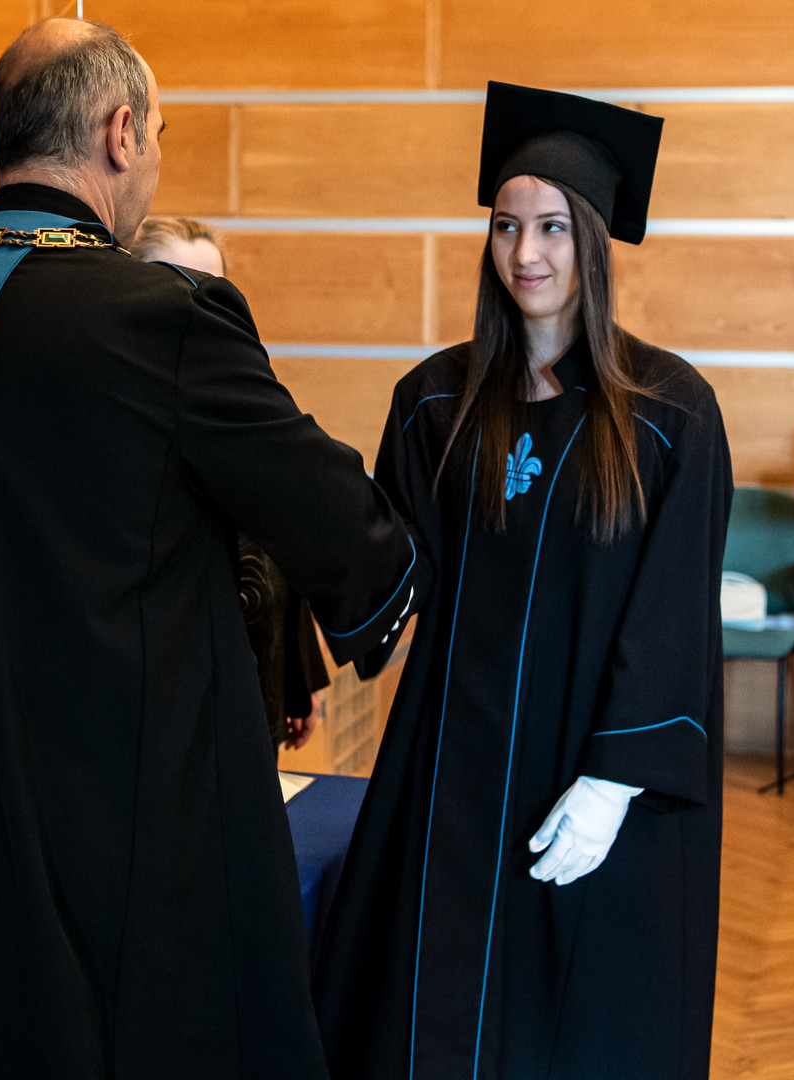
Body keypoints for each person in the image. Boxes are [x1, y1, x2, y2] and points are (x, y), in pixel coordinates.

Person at [0, 20, 422, 1080]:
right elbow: (349, 530)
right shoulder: (165, 321)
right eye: (157, 132)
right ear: (121, 134)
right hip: (105, 844)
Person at [312, 82, 731, 1080]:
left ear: (594, 242)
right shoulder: (434, 401)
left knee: (579, 1022)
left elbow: (674, 608)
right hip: (449, 768)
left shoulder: (671, 412)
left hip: (593, 778)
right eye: (506, 226)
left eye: (552, 228)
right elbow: (394, 562)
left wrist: (615, 780)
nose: (526, 254)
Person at [133, 216, 328, 754]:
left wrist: (300, 676)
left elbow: (281, 533)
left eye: (212, 290)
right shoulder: (120, 407)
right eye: (175, 284)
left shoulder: (246, 396)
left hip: (252, 679)